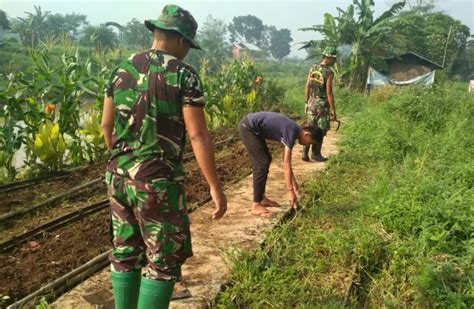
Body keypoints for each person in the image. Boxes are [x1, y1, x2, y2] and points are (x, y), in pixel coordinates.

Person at [100, 5, 227, 309]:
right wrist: (214, 186)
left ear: (156, 32)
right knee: (162, 260)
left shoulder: (121, 69)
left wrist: (124, 162)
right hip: (157, 181)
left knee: (125, 252)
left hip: (118, 176)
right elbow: (197, 134)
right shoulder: (184, 74)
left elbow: (106, 125)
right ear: (182, 40)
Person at [239, 112, 323, 218]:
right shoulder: (292, 132)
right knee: (261, 163)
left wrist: (293, 182)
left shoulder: (295, 130)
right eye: (309, 142)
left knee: (266, 160)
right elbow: (286, 164)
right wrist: (290, 191)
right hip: (248, 127)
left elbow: (284, 159)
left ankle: (261, 198)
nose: (307, 145)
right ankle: (256, 205)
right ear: (307, 135)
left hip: (254, 128)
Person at [303, 47, 338, 162]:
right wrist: (333, 110)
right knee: (320, 130)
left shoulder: (313, 68)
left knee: (309, 128)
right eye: (333, 59)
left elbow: (307, 86)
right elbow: (329, 93)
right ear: (327, 58)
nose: (334, 61)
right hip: (322, 105)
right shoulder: (329, 72)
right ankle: (316, 154)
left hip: (311, 103)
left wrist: (306, 102)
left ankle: (305, 153)